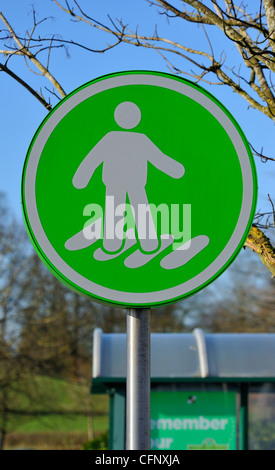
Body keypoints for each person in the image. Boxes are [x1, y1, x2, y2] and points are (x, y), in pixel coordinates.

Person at [73, 101, 185, 253]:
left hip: (125, 183)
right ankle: (143, 242)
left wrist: (82, 177)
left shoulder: (120, 138)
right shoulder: (130, 139)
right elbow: (159, 159)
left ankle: (120, 243)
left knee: (124, 210)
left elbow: (92, 159)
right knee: (133, 210)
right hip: (128, 183)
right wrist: (175, 170)